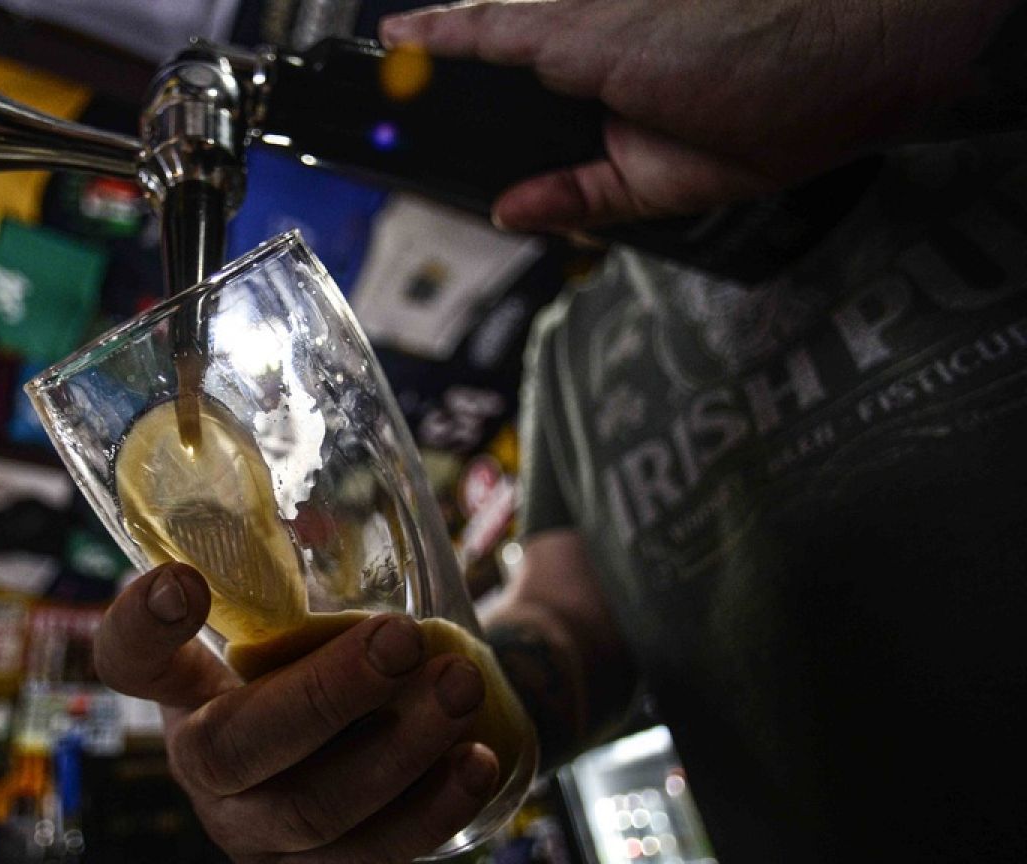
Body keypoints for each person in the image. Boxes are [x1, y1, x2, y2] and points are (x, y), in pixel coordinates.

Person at [92, 1, 1027, 861]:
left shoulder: (956, 98)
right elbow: (570, 630)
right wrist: (375, 729)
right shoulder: (571, 349)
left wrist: (868, 49)